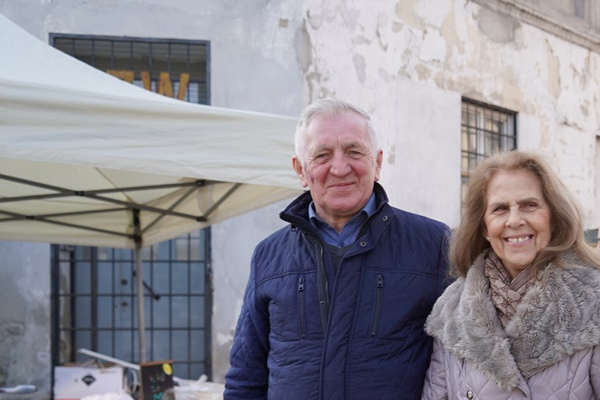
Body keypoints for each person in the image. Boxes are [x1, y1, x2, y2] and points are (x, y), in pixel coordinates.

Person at [224, 98, 450, 400]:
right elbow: (245, 379)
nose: (340, 168)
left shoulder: (434, 244)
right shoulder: (268, 256)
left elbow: (460, 368)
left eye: (354, 151)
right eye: (322, 155)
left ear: (377, 163)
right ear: (301, 170)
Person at [422, 150, 600, 399]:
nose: (514, 220)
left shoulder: (593, 300)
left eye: (529, 205)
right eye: (500, 209)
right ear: (484, 227)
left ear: (553, 217)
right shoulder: (452, 311)